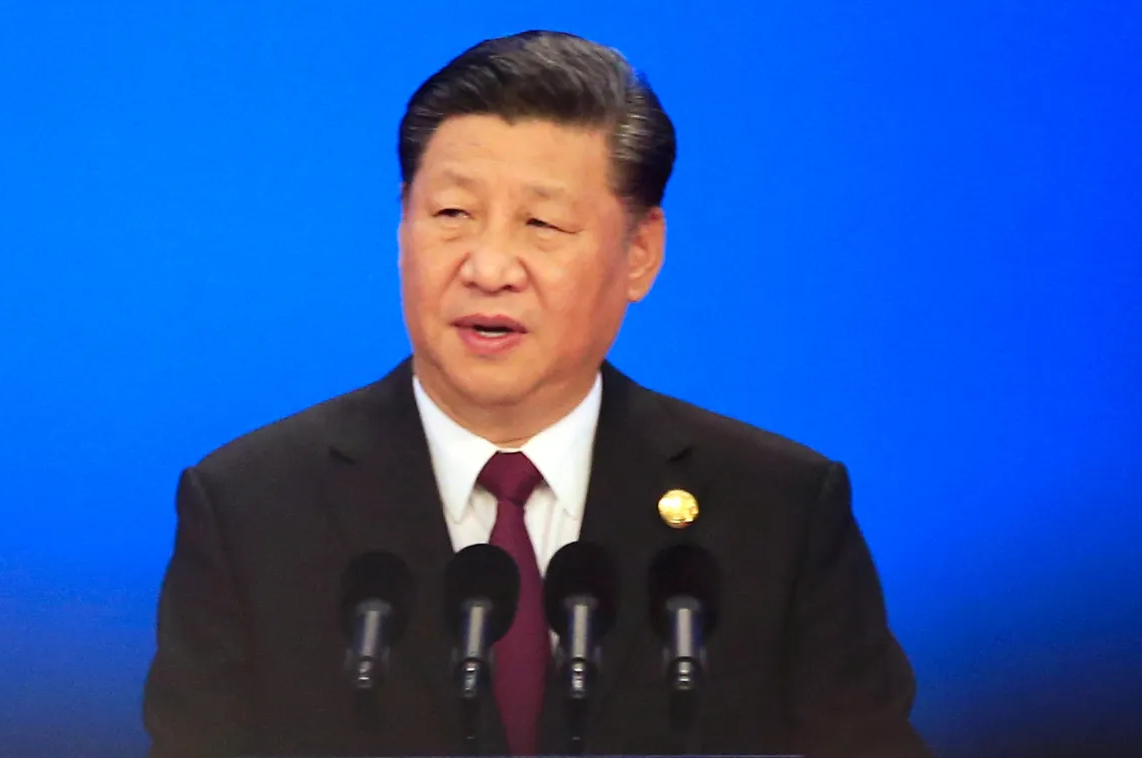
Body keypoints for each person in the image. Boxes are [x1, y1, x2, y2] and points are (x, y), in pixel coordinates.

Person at [143, 30, 931, 758]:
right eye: (451, 214)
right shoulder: (252, 507)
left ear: (639, 254)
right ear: (400, 229)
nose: (488, 266)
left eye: (541, 225)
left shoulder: (777, 511)